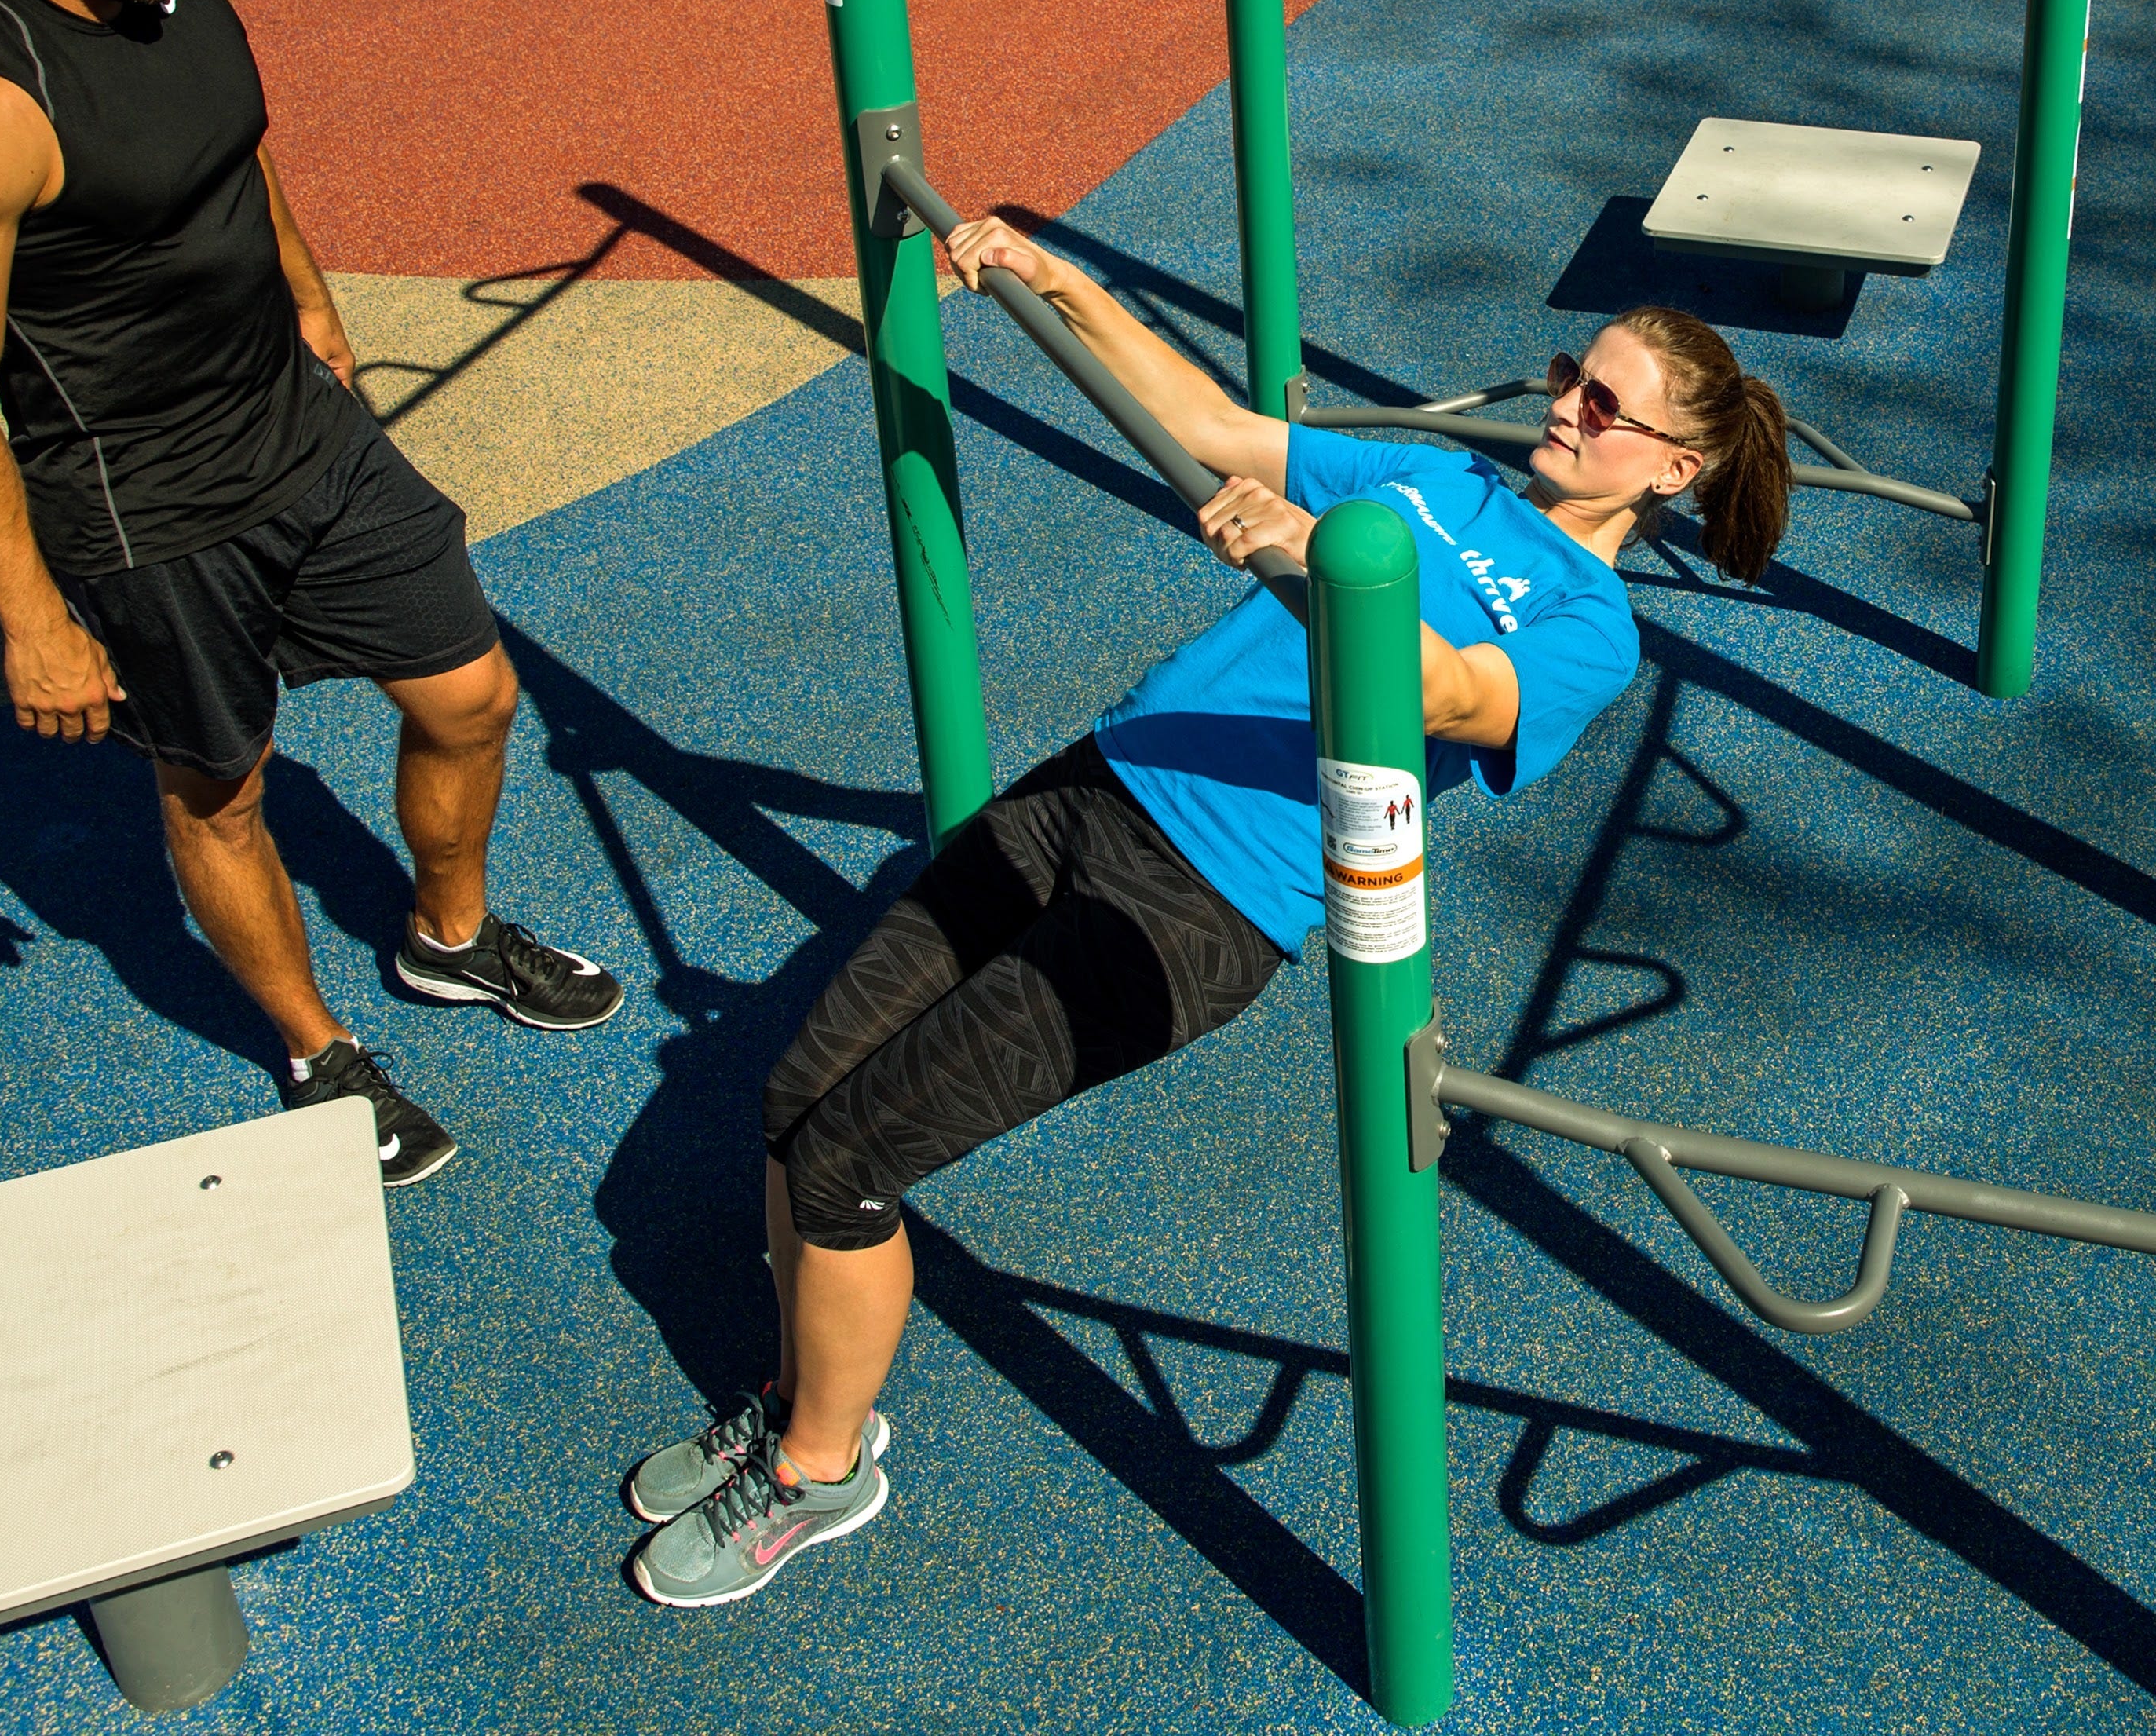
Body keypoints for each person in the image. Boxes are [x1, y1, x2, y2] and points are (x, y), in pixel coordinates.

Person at [616, 217, 1797, 1606]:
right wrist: (1066, 282)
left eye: (1605, 407)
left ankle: (823, 1469)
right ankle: (805, 1386)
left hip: (1199, 910)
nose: (1565, 407)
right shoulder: (1448, 486)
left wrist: (1322, 558)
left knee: (852, 1160)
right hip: (1093, 788)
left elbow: (1446, 695)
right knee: (796, 1092)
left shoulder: (1592, 627)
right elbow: (1215, 423)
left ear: (1677, 466)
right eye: (1568, 373)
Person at [0, 0, 620, 1191]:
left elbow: (240, 150)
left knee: (472, 692)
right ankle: (315, 1052)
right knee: (221, 793)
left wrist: (315, 297)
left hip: (301, 430)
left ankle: (448, 944)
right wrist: (32, 622)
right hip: (147, 511)